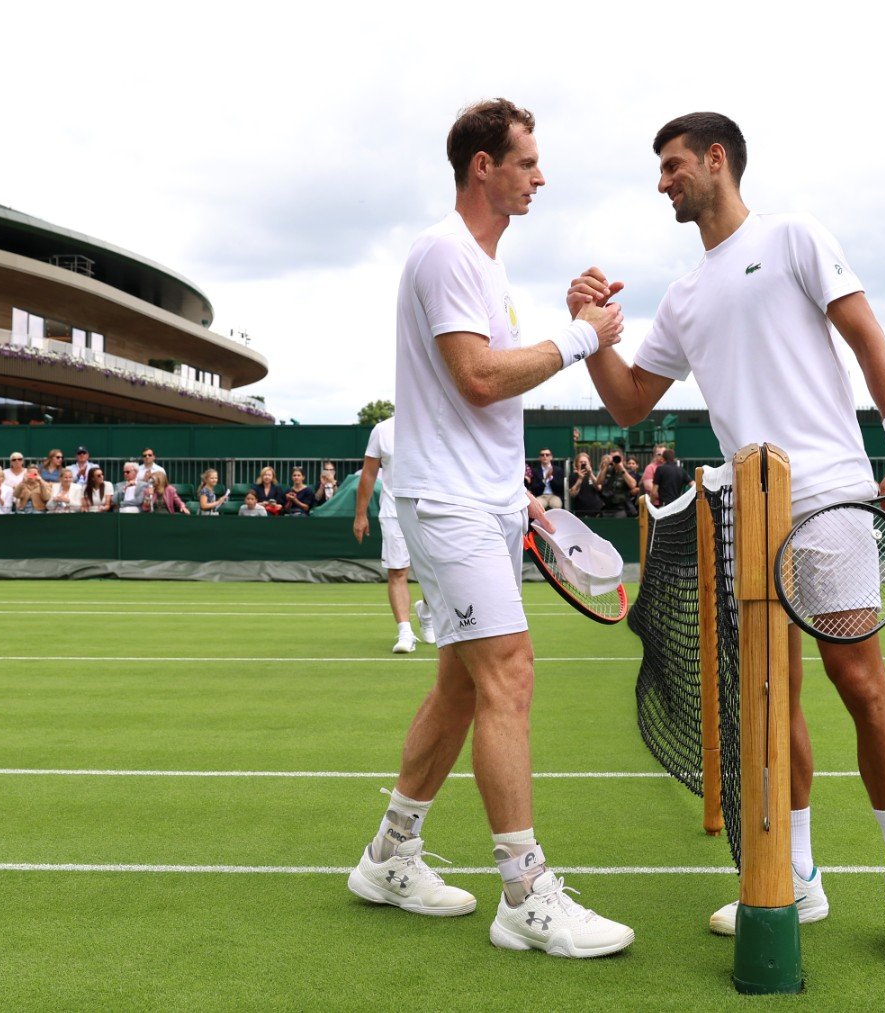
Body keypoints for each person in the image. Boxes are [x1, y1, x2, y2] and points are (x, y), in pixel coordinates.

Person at [572, 110, 885, 973]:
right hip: (747, 512)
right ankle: (800, 874)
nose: (663, 180)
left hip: (828, 500)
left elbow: (867, 337)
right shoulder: (680, 296)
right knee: (772, 701)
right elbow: (631, 401)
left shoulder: (794, 236)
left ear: (717, 159)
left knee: (859, 681)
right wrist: (593, 332)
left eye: (673, 164)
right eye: (659, 170)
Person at [349, 98, 633, 959]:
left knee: (464, 685)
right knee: (509, 672)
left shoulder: (480, 267)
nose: (539, 175)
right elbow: (475, 378)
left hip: (483, 501)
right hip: (448, 508)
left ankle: (390, 854)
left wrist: (526, 497)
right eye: (526, 161)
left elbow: (473, 409)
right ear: (484, 166)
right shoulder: (444, 252)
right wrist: (580, 338)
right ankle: (525, 891)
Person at [355, 415, 433, 654]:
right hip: (393, 511)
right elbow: (368, 473)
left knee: (439, 571)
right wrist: (360, 514)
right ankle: (405, 632)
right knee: (398, 571)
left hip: (435, 511)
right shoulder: (383, 429)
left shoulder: (440, 423)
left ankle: (427, 612)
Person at [565, 452, 606, 516]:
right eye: (581, 462)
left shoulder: (594, 474)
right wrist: (580, 479)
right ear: (576, 464)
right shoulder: (573, 476)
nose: (583, 464)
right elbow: (572, 494)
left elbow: (599, 488)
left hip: (596, 509)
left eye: (585, 462)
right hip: (581, 510)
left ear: (589, 463)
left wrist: (591, 474)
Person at [598, 452, 639, 516]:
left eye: (617, 457)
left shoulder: (628, 472)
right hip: (607, 506)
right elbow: (599, 482)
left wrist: (621, 468)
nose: (615, 460)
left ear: (622, 459)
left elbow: (633, 485)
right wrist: (605, 467)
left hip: (621, 507)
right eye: (613, 458)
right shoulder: (608, 470)